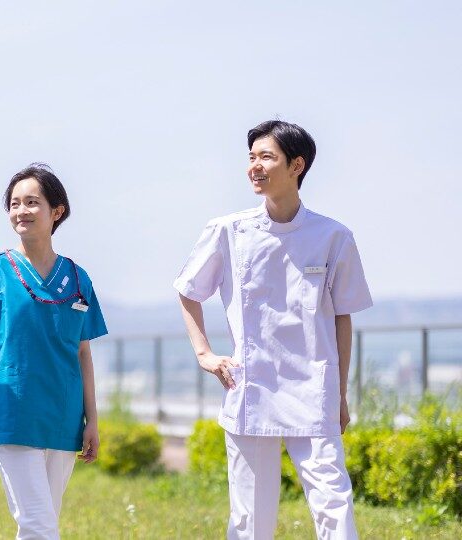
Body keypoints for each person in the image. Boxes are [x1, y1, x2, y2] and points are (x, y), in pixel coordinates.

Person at [174, 120, 372, 539]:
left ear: (297, 165)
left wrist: (339, 394)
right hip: (251, 386)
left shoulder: (333, 236)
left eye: (267, 157)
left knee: (334, 503)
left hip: (314, 389)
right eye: (251, 158)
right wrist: (204, 353)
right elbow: (188, 290)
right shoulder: (228, 231)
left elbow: (343, 318)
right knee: (250, 516)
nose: (255, 167)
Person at [0, 164, 107, 539]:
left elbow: (83, 354)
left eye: (32, 202)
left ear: (57, 211)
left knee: (44, 520)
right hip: (12, 411)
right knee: (38, 523)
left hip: (63, 415)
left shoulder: (79, 278)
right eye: (14, 204)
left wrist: (92, 419)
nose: (21, 211)